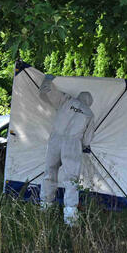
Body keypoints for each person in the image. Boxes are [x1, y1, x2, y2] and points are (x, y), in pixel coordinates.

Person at [39, 74, 94, 225]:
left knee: (49, 172)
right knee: (71, 179)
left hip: (56, 139)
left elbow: (47, 92)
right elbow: (88, 139)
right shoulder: (89, 113)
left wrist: (48, 80)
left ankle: (45, 207)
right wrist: (83, 146)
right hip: (72, 143)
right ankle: (70, 217)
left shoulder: (67, 100)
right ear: (89, 103)